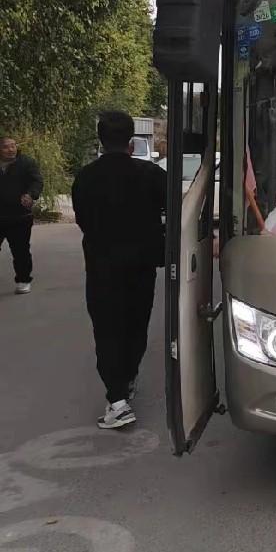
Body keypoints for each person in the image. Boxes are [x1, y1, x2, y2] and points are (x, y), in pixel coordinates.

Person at [72, 111, 167, 429]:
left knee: (108, 329)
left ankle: (117, 400)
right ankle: (126, 380)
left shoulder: (85, 177)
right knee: (136, 324)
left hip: (103, 268)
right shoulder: (151, 174)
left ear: (100, 141)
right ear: (132, 141)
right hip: (142, 266)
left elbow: (83, 220)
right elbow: (175, 211)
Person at [0, 136, 44, 294]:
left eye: (13, 146)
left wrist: (31, 195)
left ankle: (23, 280)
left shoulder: (26, 163)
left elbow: (37, 181)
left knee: (20, 250)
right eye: (6, 146)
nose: (11, 149)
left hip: (19, 216)